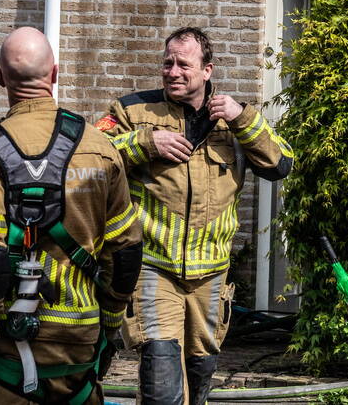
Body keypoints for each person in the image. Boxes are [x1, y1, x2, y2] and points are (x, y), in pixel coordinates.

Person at [98, 27, 293, 405]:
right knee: (161, 377)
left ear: (207, 70)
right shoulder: (133, 111)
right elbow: (91, 155)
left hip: (211, 273)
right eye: (167, 63)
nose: (172, 72)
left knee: (200, 372)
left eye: (183, 65)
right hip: (154, 266)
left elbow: (281, 162)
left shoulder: (232, 119)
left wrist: (243, 119)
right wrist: (144, 142)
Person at [0, 27, 142, 405]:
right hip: (80, 344)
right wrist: (109, 328)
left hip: (11, 346)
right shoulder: (99, 147)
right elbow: (125, 254)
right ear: (54, 73)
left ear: (0, 78)